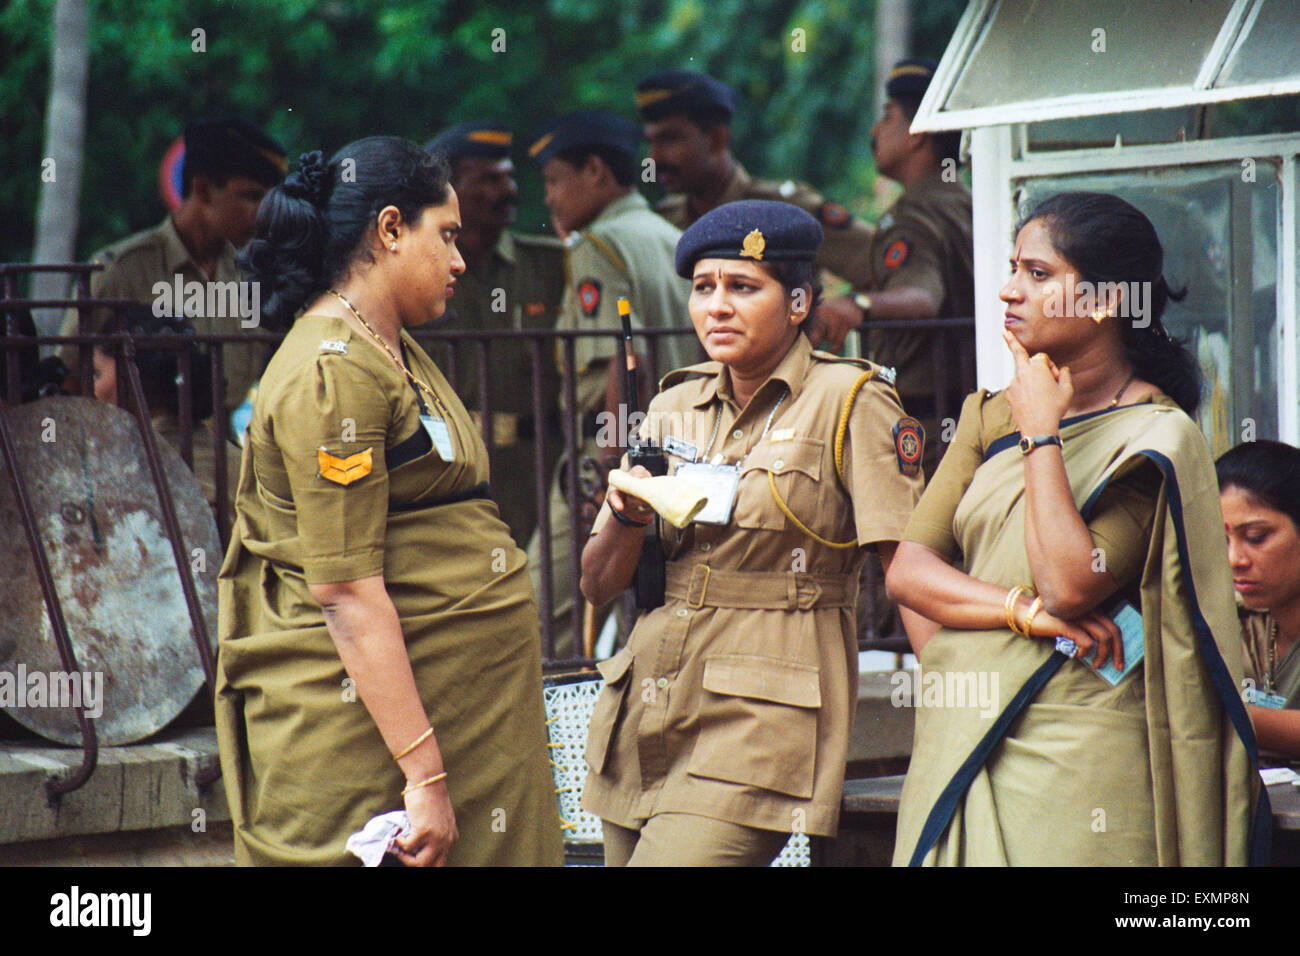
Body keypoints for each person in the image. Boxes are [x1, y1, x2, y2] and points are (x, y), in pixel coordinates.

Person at [885, 191, 1264, 866]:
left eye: (1037, 273)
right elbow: (909, 572)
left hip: (1079, 756)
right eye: (1012, 269)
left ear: (1103, 301)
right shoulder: (985, 416)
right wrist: (1012, 620)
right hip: (965, 738)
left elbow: (1069, 583)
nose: (1008, 290)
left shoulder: (1156, 439)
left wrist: (1042, 434)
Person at [214, 138, 563, 866]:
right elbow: (344, 590)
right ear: (391, 228)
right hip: (374, 754)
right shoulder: (330, 372)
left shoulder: (388, 344)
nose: (462, 260)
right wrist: (425, 777)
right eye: (449, 235)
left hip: (473, 726)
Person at [579, 200, 924, 866]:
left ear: (798, 303)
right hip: (649, 701)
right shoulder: (672, 404)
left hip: (759, 714)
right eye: (703, 288)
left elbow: (904, 567)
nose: (717, 307)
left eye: (743, 287)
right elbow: (598, 581)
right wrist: (627, 514)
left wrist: (951, 701)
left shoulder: (850, 402)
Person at [524, 110, 693, 657]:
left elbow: (628, 367)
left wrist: (603, 475)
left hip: (612, 465)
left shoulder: (600, 246)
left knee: (538, 619)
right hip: (682, 461)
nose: (549, 198)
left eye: (554, 180)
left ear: (595, 171)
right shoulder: (671, 237)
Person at [809, 58, 975, 477]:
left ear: (919, 134)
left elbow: (921, 298)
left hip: (927, 427)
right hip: (967, 413)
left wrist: (856, 305)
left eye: (887, 117)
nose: (874, 131)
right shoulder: (965, 201)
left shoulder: (912, 214)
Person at [61, 117, 287, 420]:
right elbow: (67, 377)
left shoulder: (253, 278)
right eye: (252, 196)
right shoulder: (122, 270)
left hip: (221, 457)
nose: (264, 212)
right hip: (140, 456)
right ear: (204, 190)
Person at [423, 120, 567, 544]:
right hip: (449, 467)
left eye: (508, 176)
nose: (508, 191)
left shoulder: (551, 266)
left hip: (538, 463)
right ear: (447, 192)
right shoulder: (420, 274)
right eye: (488, 180)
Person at [636, 69, 874, 289]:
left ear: (717, 138)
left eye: (669, 139)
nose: (654, 158)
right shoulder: (664, 221)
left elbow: (883, 263)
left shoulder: (787, 212)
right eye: (651, 142)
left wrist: (857, 306)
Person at [91, 305, 242, 530]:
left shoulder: (135, 467)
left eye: (97, 374)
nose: (93, 389)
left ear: (131, 377)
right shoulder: (231, 456)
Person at [1217, 440, 1300, 762]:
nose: (1234, 559)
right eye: (1221, 540)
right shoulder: (1240, 622)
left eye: (1255, 538)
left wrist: (1215, 716)